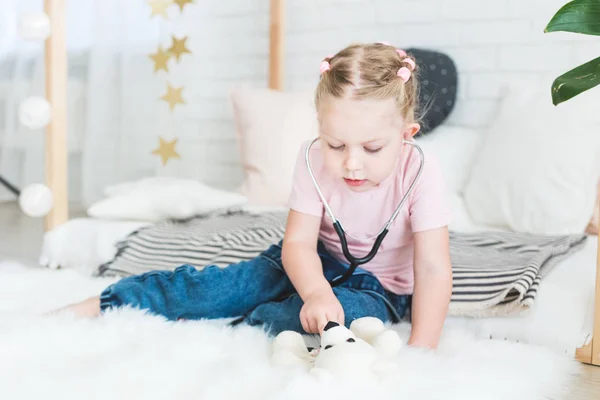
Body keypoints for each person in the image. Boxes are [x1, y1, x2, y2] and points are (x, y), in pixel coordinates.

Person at [51, 42, 453, 349]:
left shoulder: (421, 172)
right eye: (335, 145)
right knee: (218, 287)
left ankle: (243, 324)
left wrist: (423, 347)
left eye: (371, 149)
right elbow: (297, 243)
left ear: (406, 136)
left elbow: (433, 268)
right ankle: (106, 303)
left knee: (337, 321)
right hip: (310, 262)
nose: (351, 164)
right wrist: (315, 290)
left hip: (377, 289)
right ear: (320, 130)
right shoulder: (312, 158)